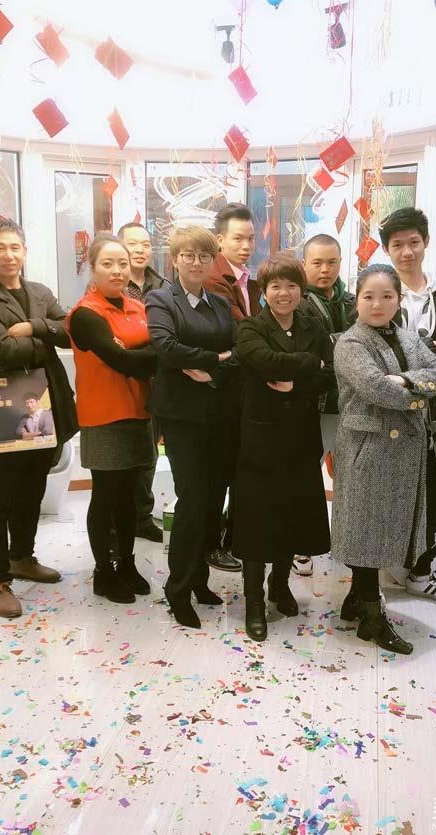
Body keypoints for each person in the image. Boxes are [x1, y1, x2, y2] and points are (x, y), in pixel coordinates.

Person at [332, 264, 436, 655]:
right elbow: (374, 389)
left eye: (386, 296)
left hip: (403, 449)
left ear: (398, 300)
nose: (377, 304)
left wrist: (405, 380)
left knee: (380, 526)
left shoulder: (406, 336)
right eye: (368, 296)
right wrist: (419, 396)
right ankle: (372, 616)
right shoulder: (351, 343)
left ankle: (356, 599)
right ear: (356, 301)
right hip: (368, 448)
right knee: (367, 529)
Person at [0, 218, 78, 619]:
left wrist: (32, 327)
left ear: (24, 251)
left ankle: (22, 558)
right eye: (0, 248)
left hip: (44, 406)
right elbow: (2, 352)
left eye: (15, 247)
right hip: (3, 409)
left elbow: (71, 332)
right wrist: (46, 341)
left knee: (32, 488)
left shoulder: (40, 293)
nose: (9, 255)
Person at [232, 253, 334, 642]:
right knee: (258, 519)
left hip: (301, 437)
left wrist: (297, 376)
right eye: (275, 286)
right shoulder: (250, 328)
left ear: (301, 290)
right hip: (261, 439)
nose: (284, 293)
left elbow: (329, 373)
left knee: (291, 514)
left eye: (292, 285)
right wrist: (308, 363)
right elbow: (261, 360)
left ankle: (279, 584)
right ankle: (254, 601)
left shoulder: (312, 325)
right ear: (264, 290)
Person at [146, 225, 240, 629]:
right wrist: (216, 358)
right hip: (182, 417)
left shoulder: (219, 303)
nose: (197, 262)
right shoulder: (160, 299)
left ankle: (200, 580)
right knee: (192, 500)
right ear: (175, 260)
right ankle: (178, 589)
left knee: (213, 499)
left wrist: (209, 367)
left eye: (204, 256)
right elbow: (165, 347)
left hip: (220, 412)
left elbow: (239, 351)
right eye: (189, 255)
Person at [380, 208, 436, 605]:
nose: (407, 252)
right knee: (385, 493)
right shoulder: (380, 294)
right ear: (387, 249)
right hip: (390, 414)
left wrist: (413, 368)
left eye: (413, 242)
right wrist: (434, 349)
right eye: (397, 244)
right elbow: (377, 355)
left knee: (433, 493)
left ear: (425, 243)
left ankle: (420, 573)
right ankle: (376, 577)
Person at [69, 234, 156, 605]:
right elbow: (120, 360)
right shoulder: (85, 314)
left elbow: (140, 354)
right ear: (92, 268)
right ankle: (103, 571)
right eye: (107, 264)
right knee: (105, 496)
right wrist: (148, 354)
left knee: (129, 498)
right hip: (103, 415)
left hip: (139, 411)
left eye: (123, 263)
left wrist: (137, 353)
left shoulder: (137, 307)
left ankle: (127, 564)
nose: (117, 270)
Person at [202, 203, 260, 572]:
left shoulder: (247, 279)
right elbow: (244, 333)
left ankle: (232, 537)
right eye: (238, 238)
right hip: (220, 394)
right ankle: (212, 544)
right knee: (218, 475)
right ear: (220, 240)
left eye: (251, 238)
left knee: (237, 471)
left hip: (241, 392)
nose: (246, 246)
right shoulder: (214, 279)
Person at [294, 233, 355, 577]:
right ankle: (299, 546)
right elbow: (309, 356)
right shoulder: (297, 302)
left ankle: (346, 543)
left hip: (352, 405)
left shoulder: (353, 301)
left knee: (351, 477)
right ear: (304, 264)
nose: (325, 269)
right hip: (313, 405)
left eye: (332, 262)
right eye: (317, 262)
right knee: (305, 475)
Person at [116, 221, 168, 543]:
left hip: (158, 383)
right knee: (122, 457)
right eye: (132, 244)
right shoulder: (111, 286)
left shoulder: (163, 285)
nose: (139, 250)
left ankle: (142, 517)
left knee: (149, 454)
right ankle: (118, 521)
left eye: (145, 244)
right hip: (122, 382)